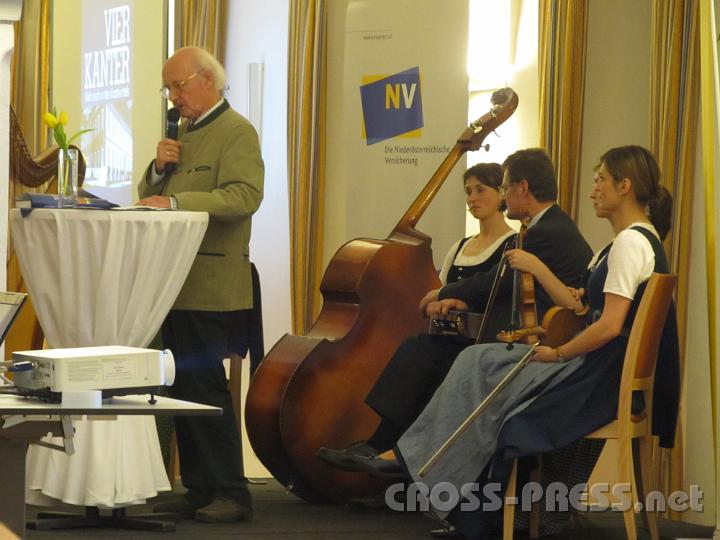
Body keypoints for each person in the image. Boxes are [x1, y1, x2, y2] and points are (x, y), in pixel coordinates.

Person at [395, 145, 680, 539]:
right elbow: (580, 307)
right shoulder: (634, 242)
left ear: (625, 186)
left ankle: (445, 485)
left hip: (595, 375)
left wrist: (558, 353)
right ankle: (435, 473)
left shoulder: (630, 244)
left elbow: (610, 326)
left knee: (491, 390)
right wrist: (540, 271)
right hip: (601, 368)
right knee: (480, 364)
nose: (593, 189)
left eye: (600, 180)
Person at [318, 148, 593, 472]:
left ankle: (396, 455)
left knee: (439, 356)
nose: (503, 196)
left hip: (548, 344)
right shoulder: (547, 227)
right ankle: (391, 453)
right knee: (425, 352)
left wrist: (446, 291)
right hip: (536, 335)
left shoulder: (546, 232)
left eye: (502, 188)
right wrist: (458, 300)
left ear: (523, 187)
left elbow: (500, 282)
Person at [137, 46, 264, 523]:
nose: (173, 98)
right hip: (174, 280)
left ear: (207, 80)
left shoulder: (237, 132)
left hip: (211, 282)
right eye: (169, 89)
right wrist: (157, 170)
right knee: (182, 386)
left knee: (208, 388)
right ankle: (197, 488)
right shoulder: (183, 133)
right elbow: (152, 197)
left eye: (178, 86)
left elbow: (245, 196)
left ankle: (232, 491)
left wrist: (175, 203)